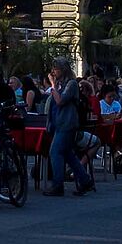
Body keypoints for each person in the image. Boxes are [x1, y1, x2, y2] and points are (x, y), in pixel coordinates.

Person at [44, 56, 93, 196]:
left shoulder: (70, 84)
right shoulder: (61, 84)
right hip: (58, 123)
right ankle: (85, 180)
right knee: (67, 154)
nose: (54, 72)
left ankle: (58, 184)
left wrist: (52, 86)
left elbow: (60, 101)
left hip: (67, 123)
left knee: (55, 152)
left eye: (56, 69)